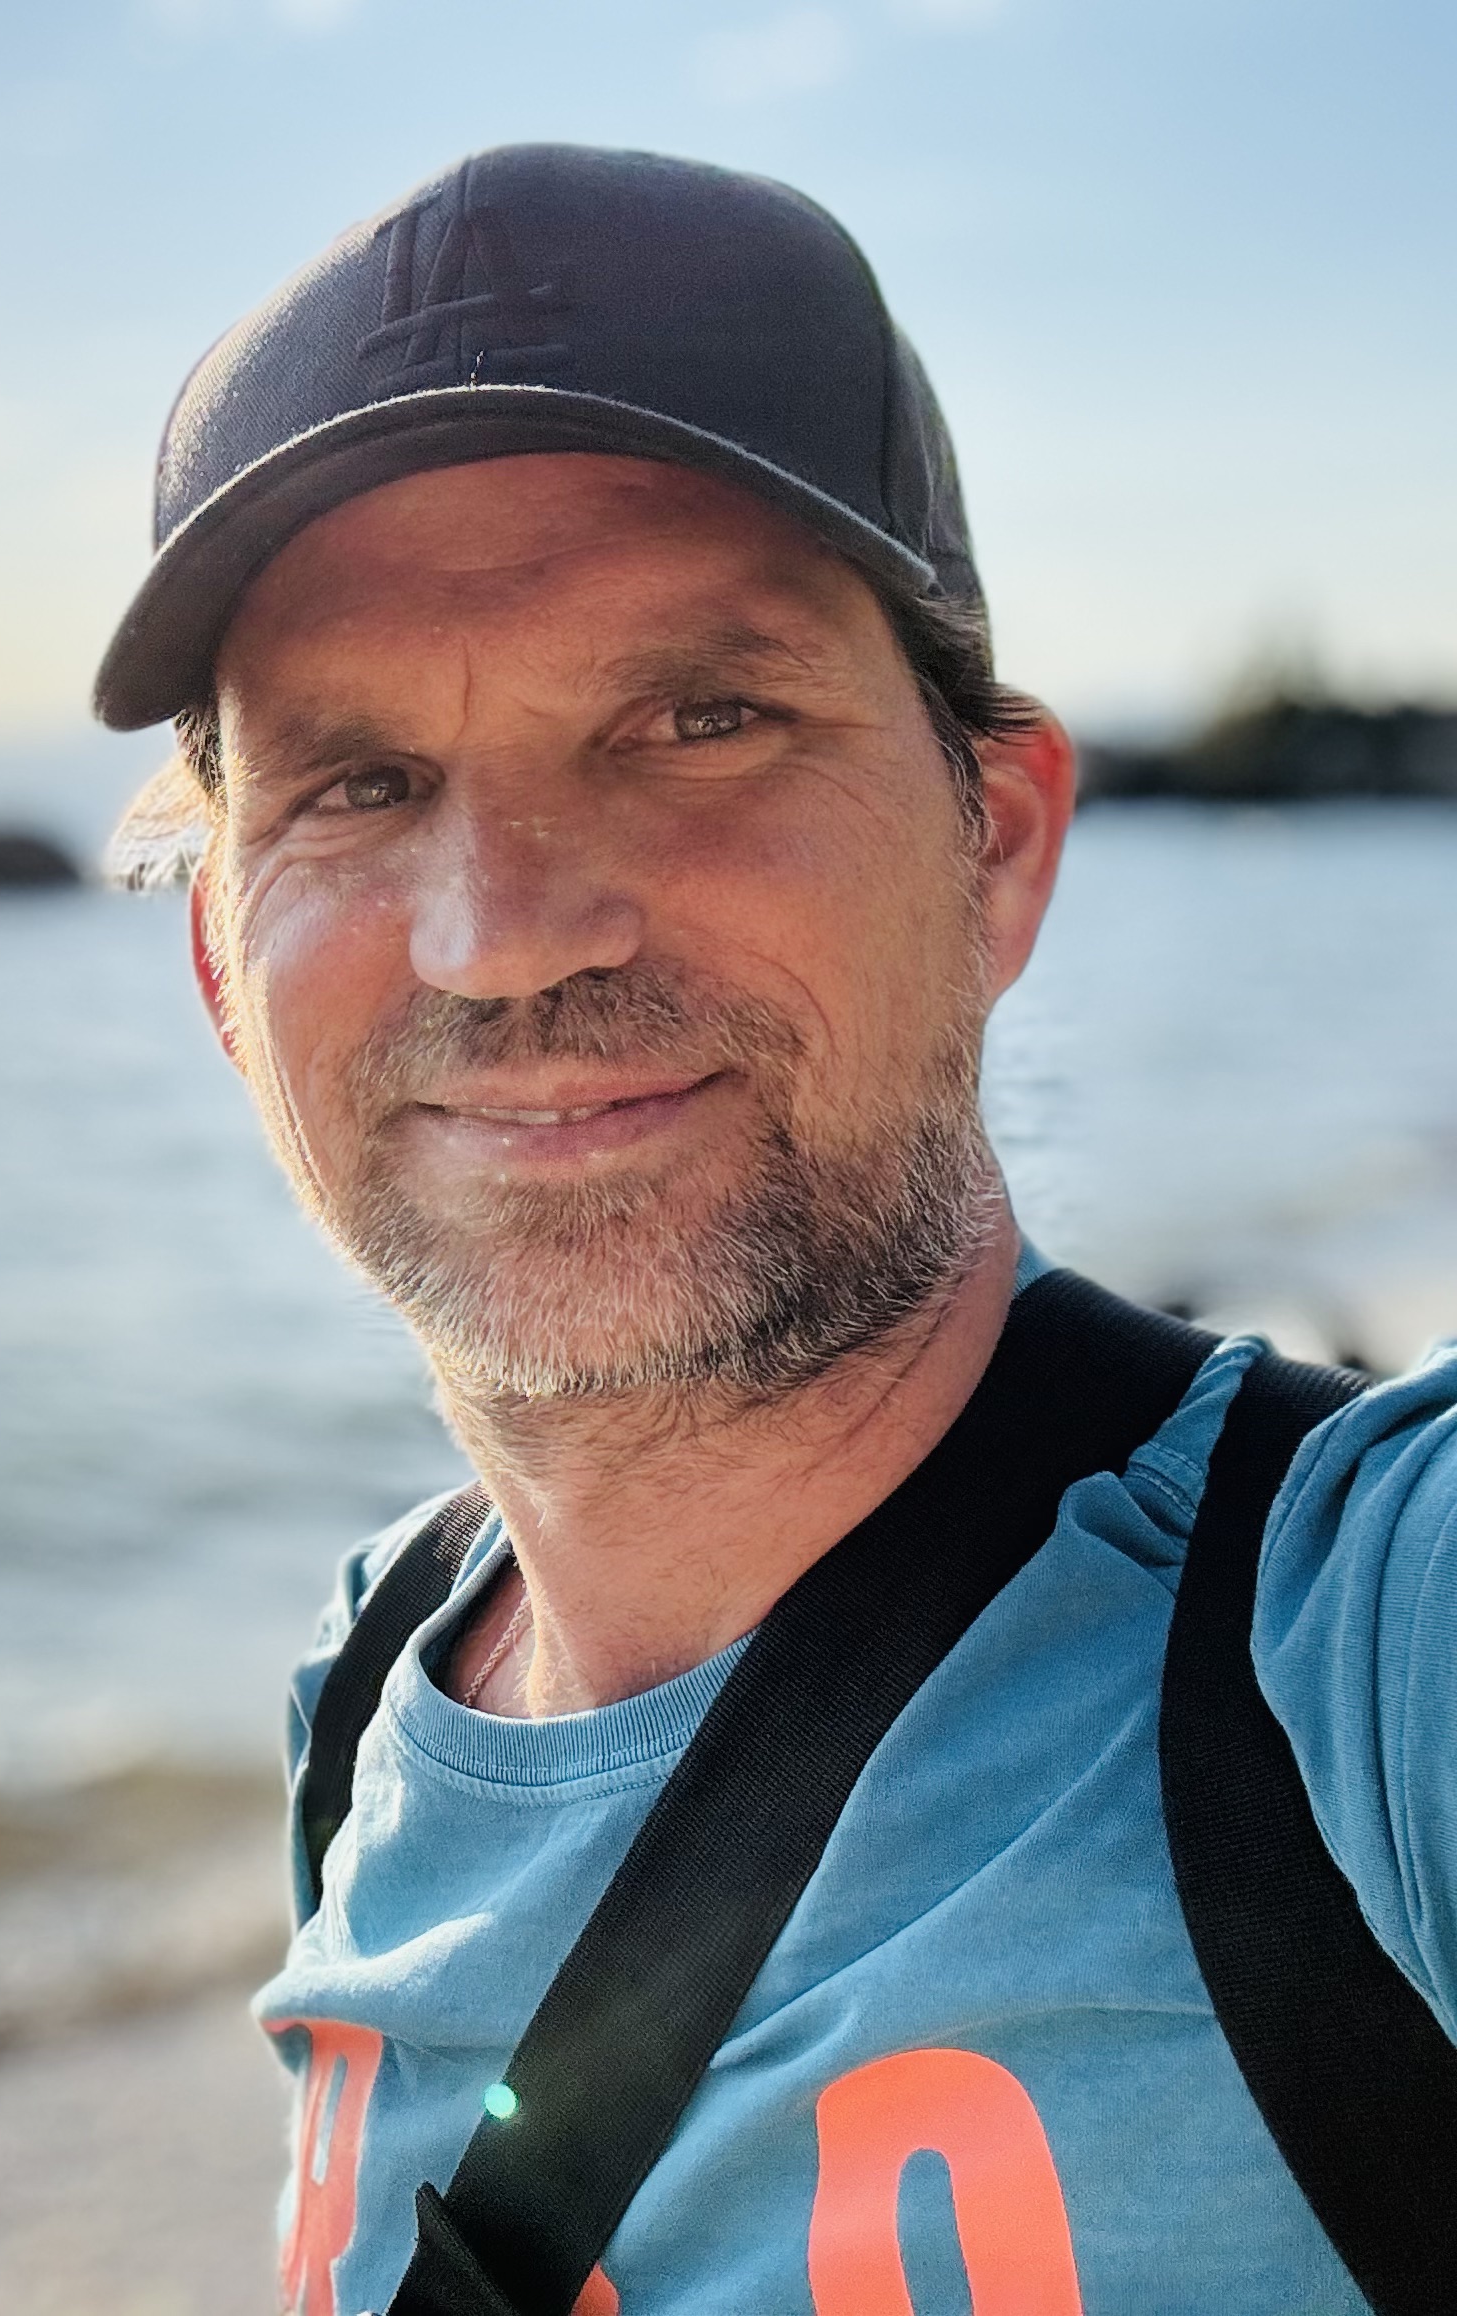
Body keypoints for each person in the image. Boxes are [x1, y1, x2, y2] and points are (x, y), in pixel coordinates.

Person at [91, 144, 1457, 2316]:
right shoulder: (366, 1691)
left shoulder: (1353, 1659)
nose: (498, 935)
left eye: (695, 720)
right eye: (350, 784)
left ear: (991, 848)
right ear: (217, 983)